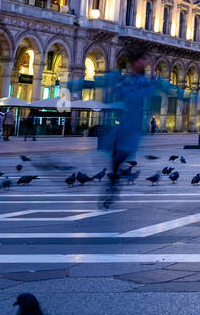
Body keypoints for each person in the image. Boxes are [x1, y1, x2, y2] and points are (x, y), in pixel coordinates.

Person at [71, 50, 191, 208]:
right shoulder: (124, 79)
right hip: (123, 126)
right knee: (115, 160)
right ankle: (112, 189)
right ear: (135, 62)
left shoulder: (145, 81)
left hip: (132, 129)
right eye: (143, 61)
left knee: (118, 158)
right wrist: (75, 84)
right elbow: (100, 82)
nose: (146, 64)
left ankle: (112, 188)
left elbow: (167, 88)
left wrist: (188, 95)